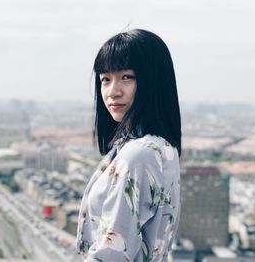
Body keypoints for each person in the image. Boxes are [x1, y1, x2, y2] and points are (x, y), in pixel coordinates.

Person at [76, 29, 182, 262]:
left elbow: (111, 254)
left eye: (127, 77)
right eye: (105, 79)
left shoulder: (139, 154)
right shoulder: (162, 147)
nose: (113, 91)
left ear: (153, 81)